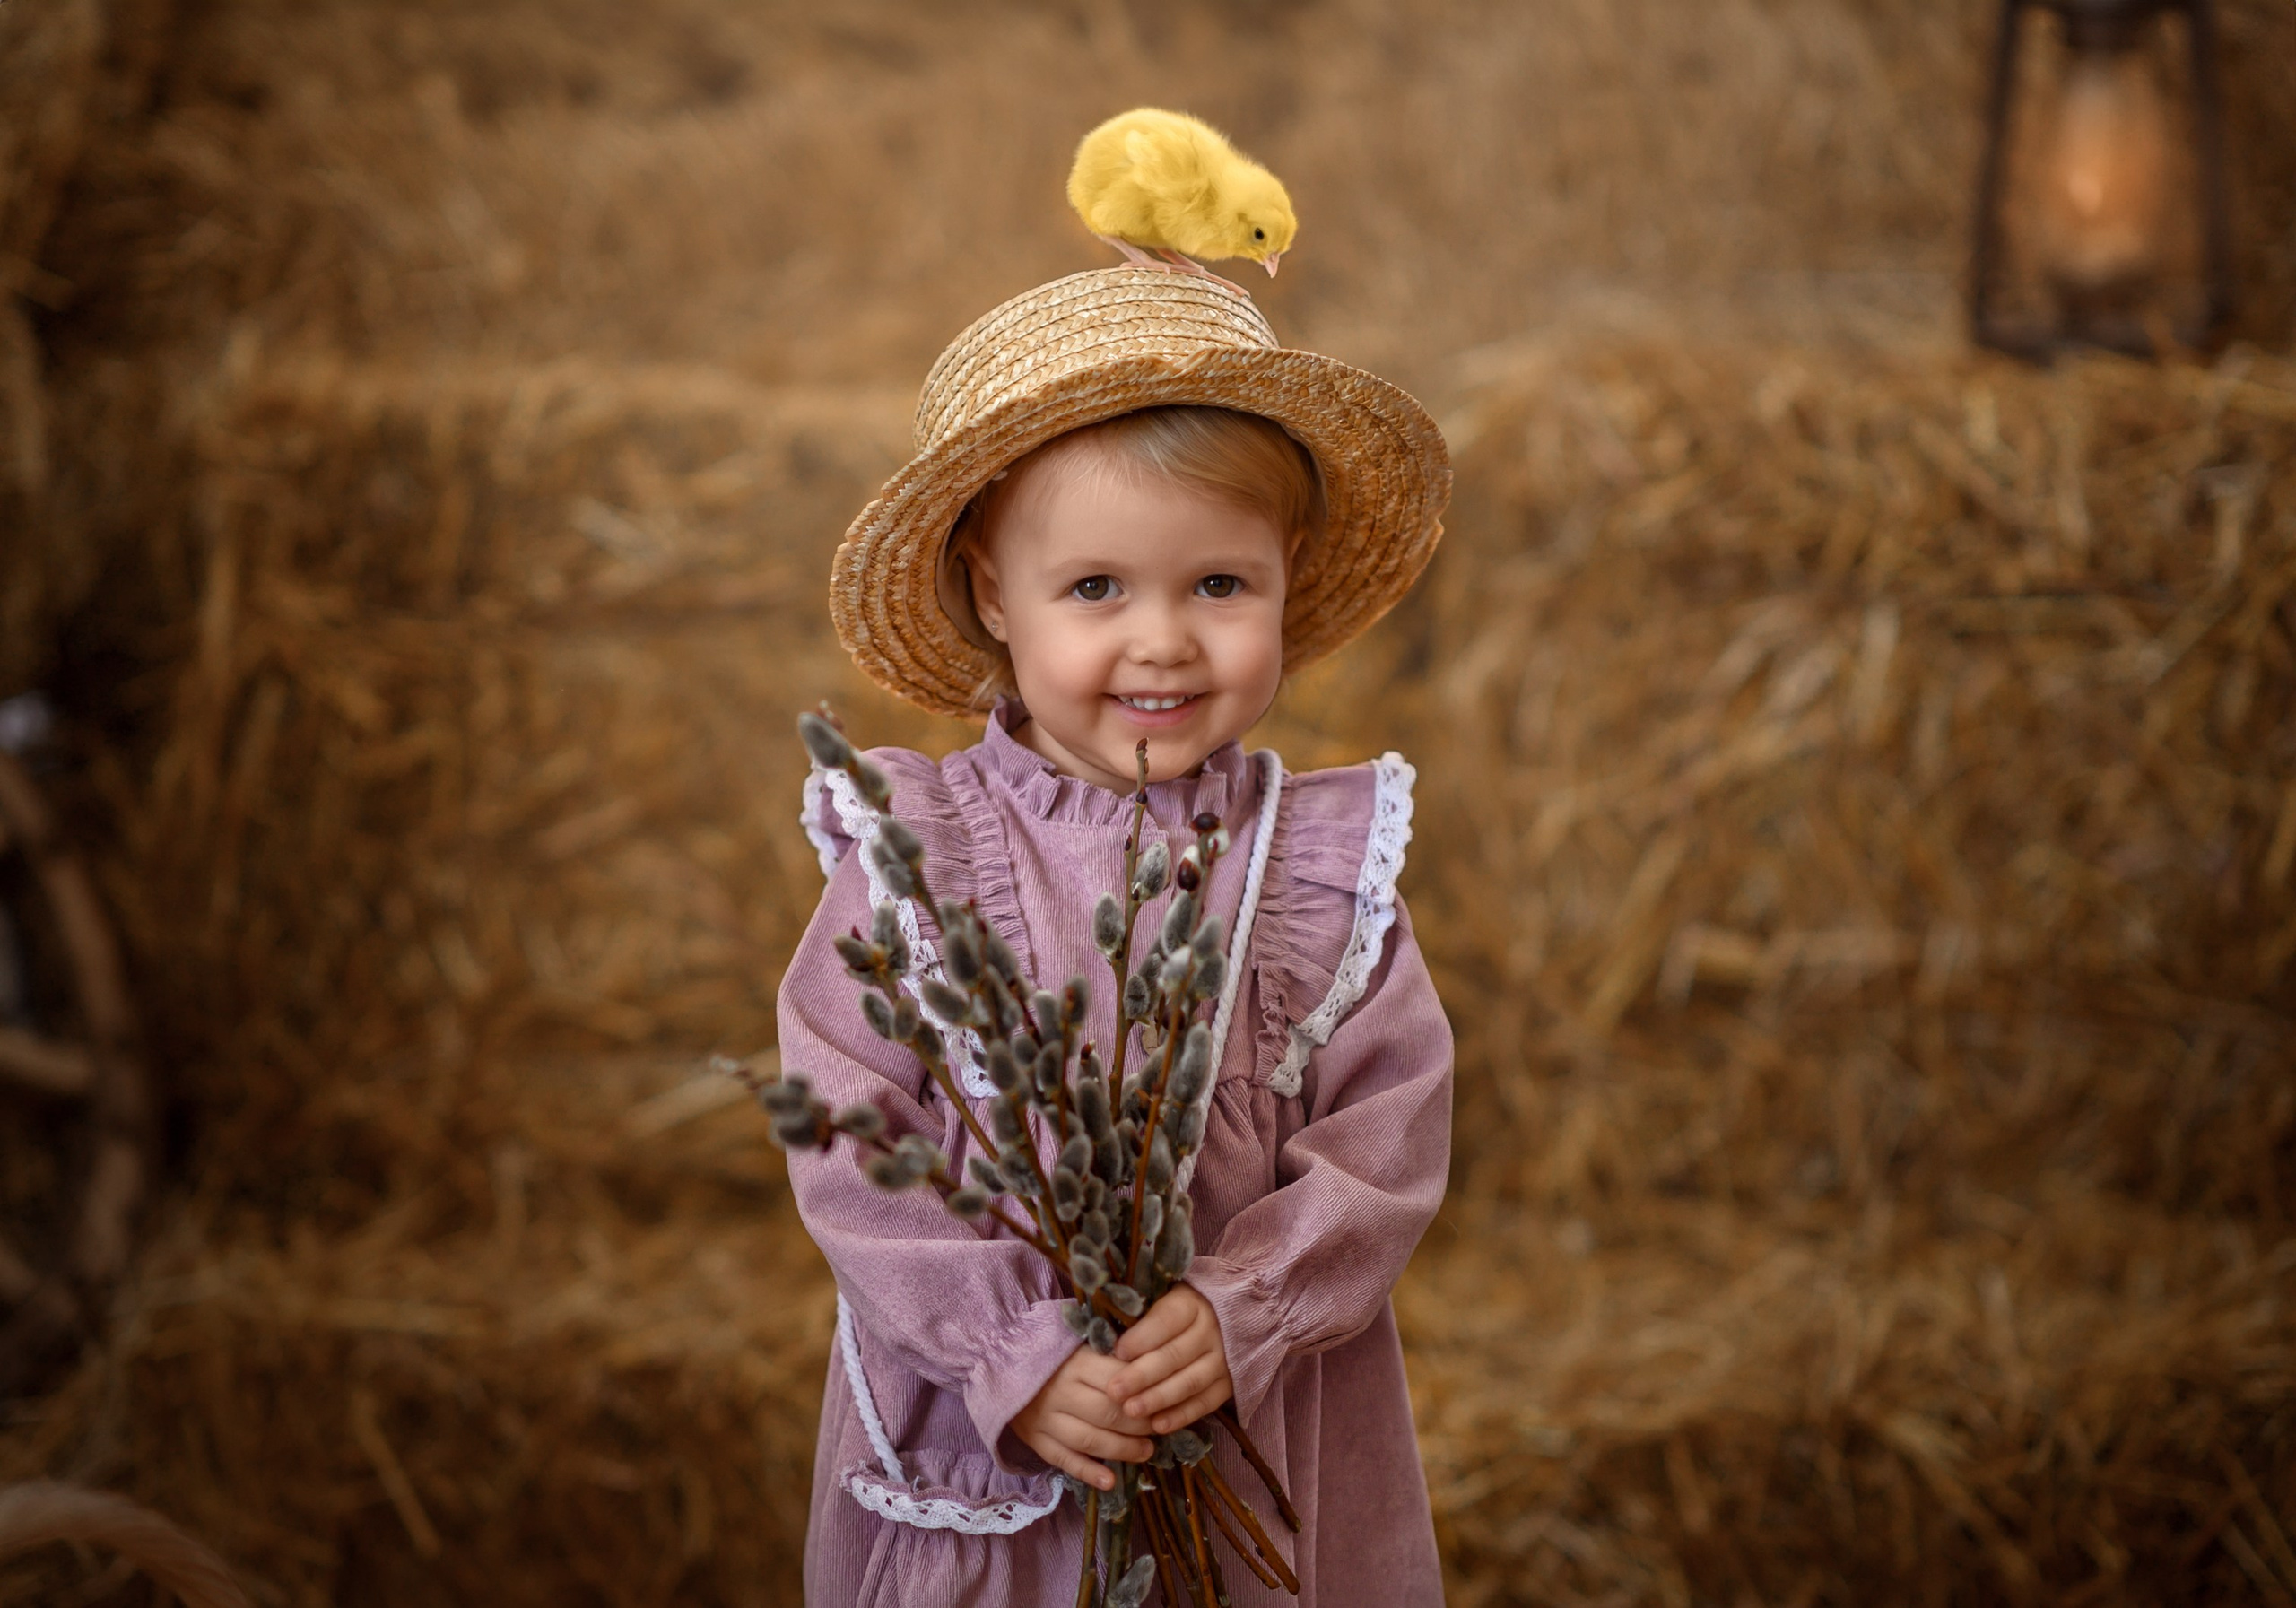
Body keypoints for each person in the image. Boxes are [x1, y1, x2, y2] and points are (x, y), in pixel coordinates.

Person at [780, 266, 1454, 1604]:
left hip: (1249, 1429)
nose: (1165, 641)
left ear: (1286, 581)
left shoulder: (1315, 866)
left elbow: (1390, 1127)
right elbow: (848, 1123)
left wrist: (1244, 1303)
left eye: (1219, 582)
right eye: (1095, 587)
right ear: (992, 596)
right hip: (997, 1440)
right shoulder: (917, 857)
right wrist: (1005, 1351)